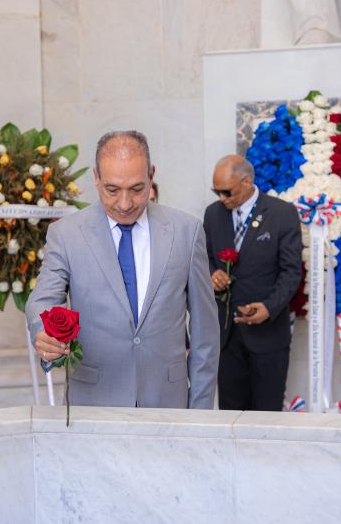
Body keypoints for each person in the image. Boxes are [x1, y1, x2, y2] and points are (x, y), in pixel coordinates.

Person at [26, 131, 219, 408]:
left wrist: (200, 414)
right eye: (112, 190)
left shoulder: (187, 232)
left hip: (168, 403)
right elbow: (42, 301)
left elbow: (205, 333)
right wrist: (42, 333)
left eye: (137, 189)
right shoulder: (66, 234)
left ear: (151, 175)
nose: (125, 203)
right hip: (93, 403)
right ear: (96, 177)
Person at [203, 155, 302, 411]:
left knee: (266, 415)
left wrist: (269, 308)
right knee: (230, 414)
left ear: (247, 183)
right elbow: (204, 258)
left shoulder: (282, 214)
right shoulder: (213, 214)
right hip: (226, 336)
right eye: (216, 192)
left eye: (226, 192)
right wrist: (213, 274)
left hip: (267, 337)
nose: (221, 199)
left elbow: (291, 272)